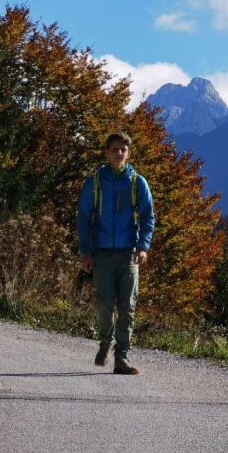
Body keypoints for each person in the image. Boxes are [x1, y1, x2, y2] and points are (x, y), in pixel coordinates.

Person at [76, 132, 154, 375]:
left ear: (128, 154)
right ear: (107, 152)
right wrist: (86, 252)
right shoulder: (95, 182)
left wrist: (143, 246)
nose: (119, 153)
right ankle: (105, 342)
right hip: (101, 253)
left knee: (128, 306)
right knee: (105, 303)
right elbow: (83, 217)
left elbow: (148, 215)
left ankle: (121, 357)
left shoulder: (137, 182)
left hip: (128, 253)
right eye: (115, 149)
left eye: (123, 149)